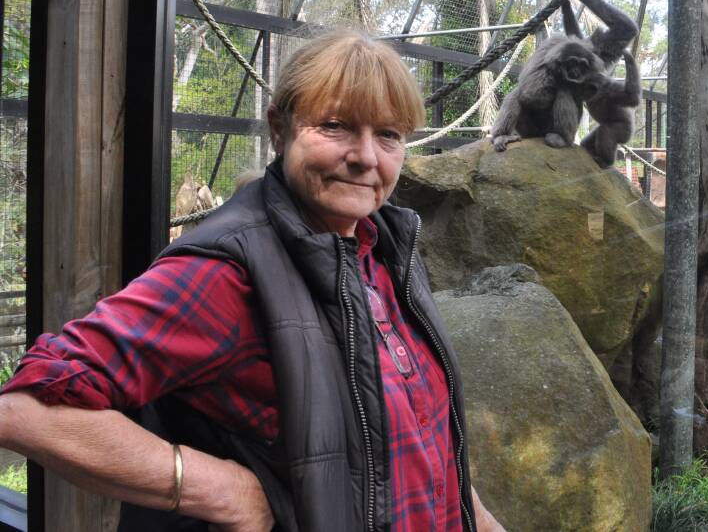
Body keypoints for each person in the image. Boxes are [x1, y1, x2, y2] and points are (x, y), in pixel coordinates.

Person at [0, 30, 504, 531]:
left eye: (389, 134)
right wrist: (218, 490)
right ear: (279, 130)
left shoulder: (385, 246)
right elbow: (27, 410)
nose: (367, 157)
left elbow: (422, 431)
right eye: (335, 126)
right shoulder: (228, 269)